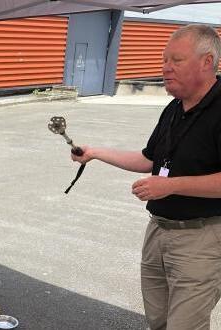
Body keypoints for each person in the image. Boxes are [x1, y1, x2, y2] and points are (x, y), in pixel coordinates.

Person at [71, 24, 221, 330]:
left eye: (175, 61)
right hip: (159, 232)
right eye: (164, 60)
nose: (165, 68)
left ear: (207, 62)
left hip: (202, 238)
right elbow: (148, 159)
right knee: (159, 322)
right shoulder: (173, 108)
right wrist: (95, 152)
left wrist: (170, 186)